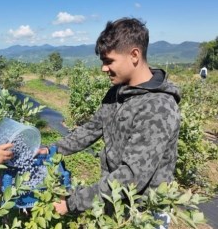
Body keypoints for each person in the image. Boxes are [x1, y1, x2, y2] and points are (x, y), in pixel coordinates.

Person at [51, 17, 181, 219]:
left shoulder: (158, 107)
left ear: (134, 55)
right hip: (114, 202)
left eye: (109, 61)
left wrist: (72, 203)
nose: (104, 68)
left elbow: (130, 177)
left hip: (142, 214)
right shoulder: (116, 94)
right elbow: (91, 129)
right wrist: (54, 149)